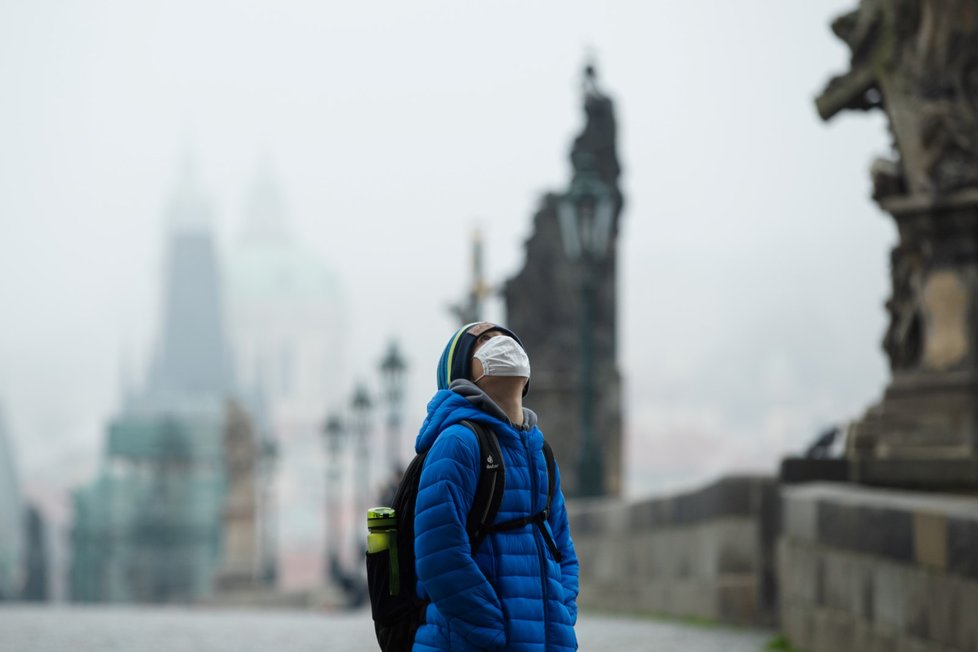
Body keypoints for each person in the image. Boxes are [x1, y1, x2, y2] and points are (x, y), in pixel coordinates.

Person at [412, 321, 579, 651]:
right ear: (461, 372)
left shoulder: (539, 450)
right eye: (485, 341)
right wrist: (492, 631)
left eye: (505, 339)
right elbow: (439, 558)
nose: (501, 343)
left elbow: (564, 551)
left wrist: (562, 613)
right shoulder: (458, 442)